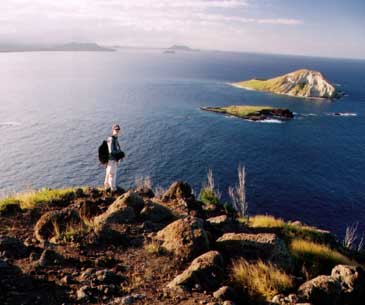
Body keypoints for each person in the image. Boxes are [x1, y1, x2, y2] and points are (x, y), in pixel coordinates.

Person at [104, 124, 122, 192]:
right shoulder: (112, 138)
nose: (117, 131)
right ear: (113, 130)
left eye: (118, 129)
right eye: (116, 129)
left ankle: (107, 188)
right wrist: (119, 154)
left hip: (112, 159)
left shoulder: (115, 138)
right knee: (112, 174)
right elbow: (111, 151)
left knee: (109, 173)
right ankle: (113, 189)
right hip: (112, 159)